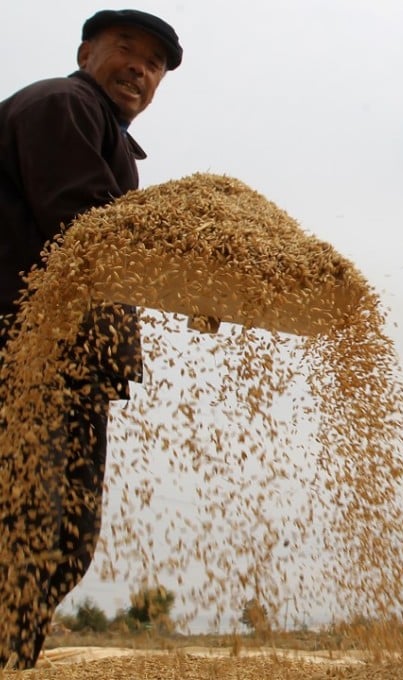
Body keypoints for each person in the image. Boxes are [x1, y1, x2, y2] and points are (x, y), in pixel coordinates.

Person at [0, 9, 182, 669]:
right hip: (26, 353)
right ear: (86, 52)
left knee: (61, 541)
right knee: (25, 532)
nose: (140, 68)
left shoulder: (101, 130)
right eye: (126, 50)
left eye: (154, 64)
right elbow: (85, 229)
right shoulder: (62, 105)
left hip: (74, 364)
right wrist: (199, 276)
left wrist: (205, 290)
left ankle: (11, 661)